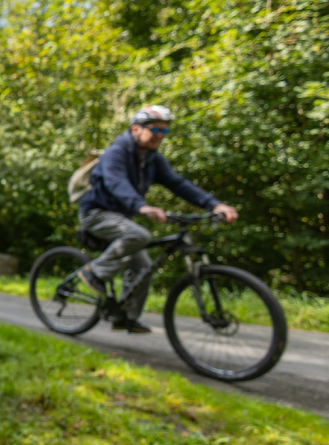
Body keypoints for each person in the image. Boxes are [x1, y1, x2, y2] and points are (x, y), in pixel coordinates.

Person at [75, 105, 238, 333]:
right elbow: (116, 183)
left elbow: (179, 184)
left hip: (122, 217)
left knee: (143, 266)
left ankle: (125, 317)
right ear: (136, 129)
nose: (159, 136)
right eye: (155, 130)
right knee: (139, 234)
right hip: (96, 214)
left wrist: (215, 204)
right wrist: (141, 207)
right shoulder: (116, 152)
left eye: (164, 132)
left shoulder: (152, 159)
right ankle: (95, 272)